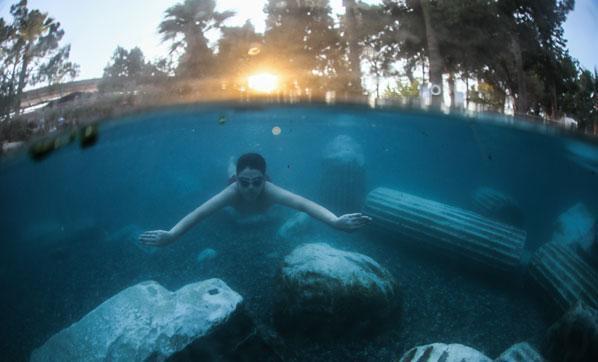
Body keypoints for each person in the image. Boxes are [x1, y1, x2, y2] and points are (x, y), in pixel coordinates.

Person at [139, 153, 372, 247]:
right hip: (234, 183)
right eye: (245, 182)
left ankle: (235, 165)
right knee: (230, 172)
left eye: (256, 182)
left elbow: (304, 204)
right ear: (238, 182)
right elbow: (199, 214)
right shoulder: (232, 191)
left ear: (265, 179)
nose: (250, 189)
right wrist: (172, 235)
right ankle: (231, 163)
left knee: (243, 177)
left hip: (250, 188)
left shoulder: (270, 190)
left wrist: (334, 221)